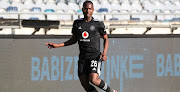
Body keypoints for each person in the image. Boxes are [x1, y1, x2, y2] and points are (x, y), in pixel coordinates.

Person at [46, 1, 117, 92]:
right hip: (83, 58)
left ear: (93, 10)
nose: (88, 11)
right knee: (85, 84)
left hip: (94, 56)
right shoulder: (77, 23)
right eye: (86, 8)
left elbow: (106, 38)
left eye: (90, 9)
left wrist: (104, 53)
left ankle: (111, 91)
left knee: (93, 79)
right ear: (82, 10)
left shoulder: (98, 24)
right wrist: (58, 45)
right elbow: (74, 40)